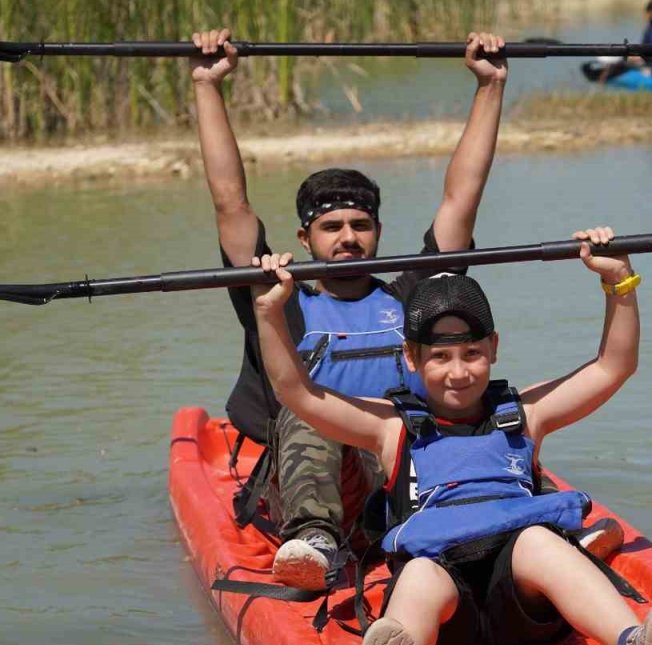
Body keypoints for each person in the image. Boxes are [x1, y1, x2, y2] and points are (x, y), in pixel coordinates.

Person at [248, 227, 652, 645]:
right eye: (440, 357)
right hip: (448, 609)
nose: (458, 372)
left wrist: (619, 282)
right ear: (411, 357)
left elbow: (614, 365)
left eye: (472, 354)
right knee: (420, 571)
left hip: (524, 604)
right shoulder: (390, 428)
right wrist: (270, 311)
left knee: (539, 541)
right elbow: (297, 392)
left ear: (494, 348)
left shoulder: (527, 414)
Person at [189, 28, 512, 591]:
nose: (348, 238)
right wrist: (207, 85)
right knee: (311, 411)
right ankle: (313, 539)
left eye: (360, 226)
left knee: (489, 402)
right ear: (305, 237)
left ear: (378, 233)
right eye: (331, 227)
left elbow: (463, 197)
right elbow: (229, 202)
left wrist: (489, 86)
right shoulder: (277, 297)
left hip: (395, 476)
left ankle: (519, 524)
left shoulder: (412, 296)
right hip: (307, 480)